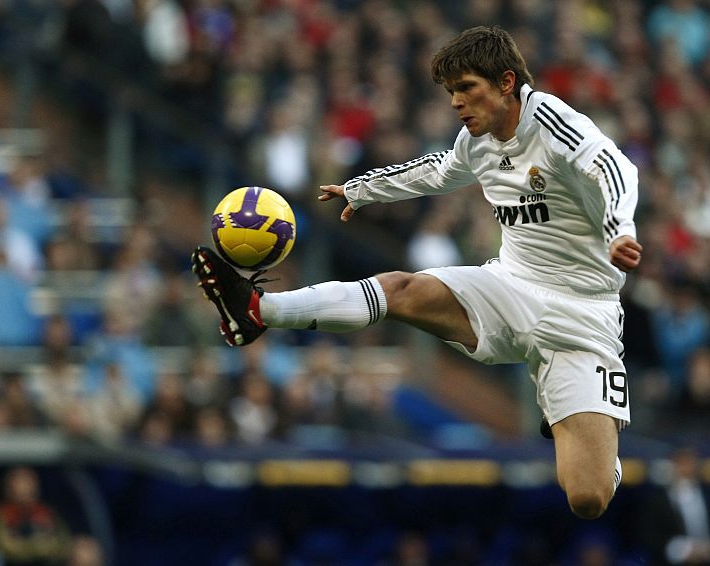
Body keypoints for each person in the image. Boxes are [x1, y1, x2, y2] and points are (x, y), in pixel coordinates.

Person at [192, 25, 642, 519]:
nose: (456, 103)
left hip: (582, 316)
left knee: (587, 498)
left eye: (466, 88)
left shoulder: (551, 120)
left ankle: (595, 442)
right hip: (510, 287)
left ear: (507, 82)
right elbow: (439, 170)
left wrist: (620, 227)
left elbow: (612, 165)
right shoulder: (477, 141)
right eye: (451, 93)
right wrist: (361, 191)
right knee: (401, 289)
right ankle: (257, 310)